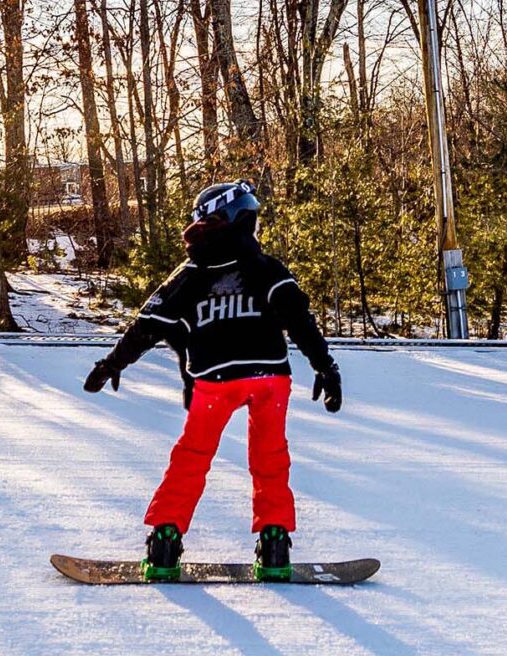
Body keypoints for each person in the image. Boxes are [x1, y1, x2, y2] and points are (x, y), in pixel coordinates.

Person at [83, 180, 341, 581]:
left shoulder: (189, 275)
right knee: (270, 459)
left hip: (215, 382)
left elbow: (146, 327)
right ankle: (274, 545)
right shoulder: (267, 270)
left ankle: (165, 543)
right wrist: (326, 367)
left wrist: (113, 364)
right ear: (243, 220)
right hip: (269, 376)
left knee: (192, 457)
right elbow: (300, 322)